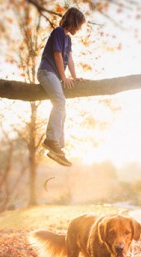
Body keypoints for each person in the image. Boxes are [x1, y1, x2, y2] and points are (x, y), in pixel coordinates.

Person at [37, 7, 86, 167]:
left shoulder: (68, 39)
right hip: (46, 72)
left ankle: (57, 148)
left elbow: (69, 59)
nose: (79, 29)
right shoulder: (58, 31)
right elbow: (57, 55)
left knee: (62, 107)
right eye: (78, 25)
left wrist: (74, 76)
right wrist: (64, 77)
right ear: (73, 22)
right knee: (59, 102)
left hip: (55, 77)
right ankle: (51, 140)